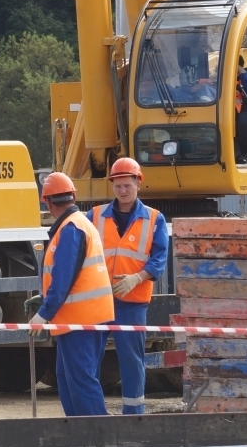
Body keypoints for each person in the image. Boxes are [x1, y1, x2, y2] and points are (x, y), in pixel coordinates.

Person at [30, 172, 115, 416]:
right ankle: (79, 433)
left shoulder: (70, 229)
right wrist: (45, 301)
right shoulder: (80, 224)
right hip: (85, 318)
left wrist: (44, 313)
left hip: (81, 320)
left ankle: (97, 438)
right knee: (68, 378)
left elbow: (64, 277)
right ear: (73, 196)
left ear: (46, 202)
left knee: (80, 380)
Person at [89, 158, 169, 414]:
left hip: (132, 303)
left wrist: (137, 278)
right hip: (99, 301)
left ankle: (133, 416)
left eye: (127, 185)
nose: (123, 191)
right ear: (112, 185)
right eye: (118, 186)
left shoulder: (154, 219)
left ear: (138, 183)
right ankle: (94, 413)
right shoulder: (95, 216)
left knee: (132, 361)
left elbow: (160, 257)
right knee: (91, 359)